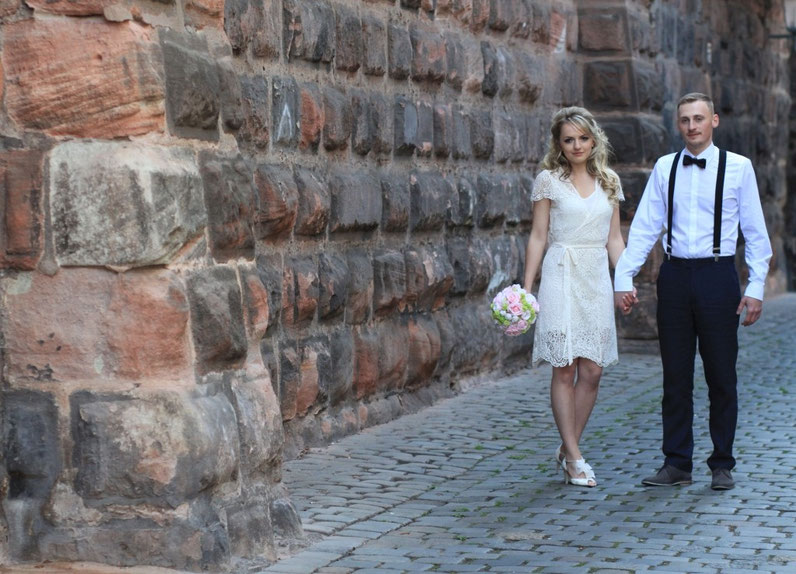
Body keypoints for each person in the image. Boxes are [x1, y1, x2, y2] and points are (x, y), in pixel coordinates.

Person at [614, 92, 772, 491]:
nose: (692, 126)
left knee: (721, 375)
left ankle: (722, 464)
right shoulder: (665, 168)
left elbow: (755, 233)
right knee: (675, 376)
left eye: (699, 118)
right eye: (685, 120)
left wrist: (755, 287)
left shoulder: (739, 168)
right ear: (678, 124)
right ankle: (677, 463)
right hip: (675, 276)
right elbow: (645, 227)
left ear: (714, 121)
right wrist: (623, 277)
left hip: (718, 276)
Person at [523, 107, 632, 488]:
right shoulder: (548, 181)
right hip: (561, 273)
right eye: (569, 140)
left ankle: (569, 446)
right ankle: (573, 456)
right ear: (559, 144)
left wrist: (625, 280)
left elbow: (614, 239)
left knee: (593, 370)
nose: (577, 146)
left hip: (595, 277)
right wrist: (526, 288)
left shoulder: (609, 181)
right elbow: (538, 236)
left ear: (594, 139)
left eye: (583, 138)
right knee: (565, 367)